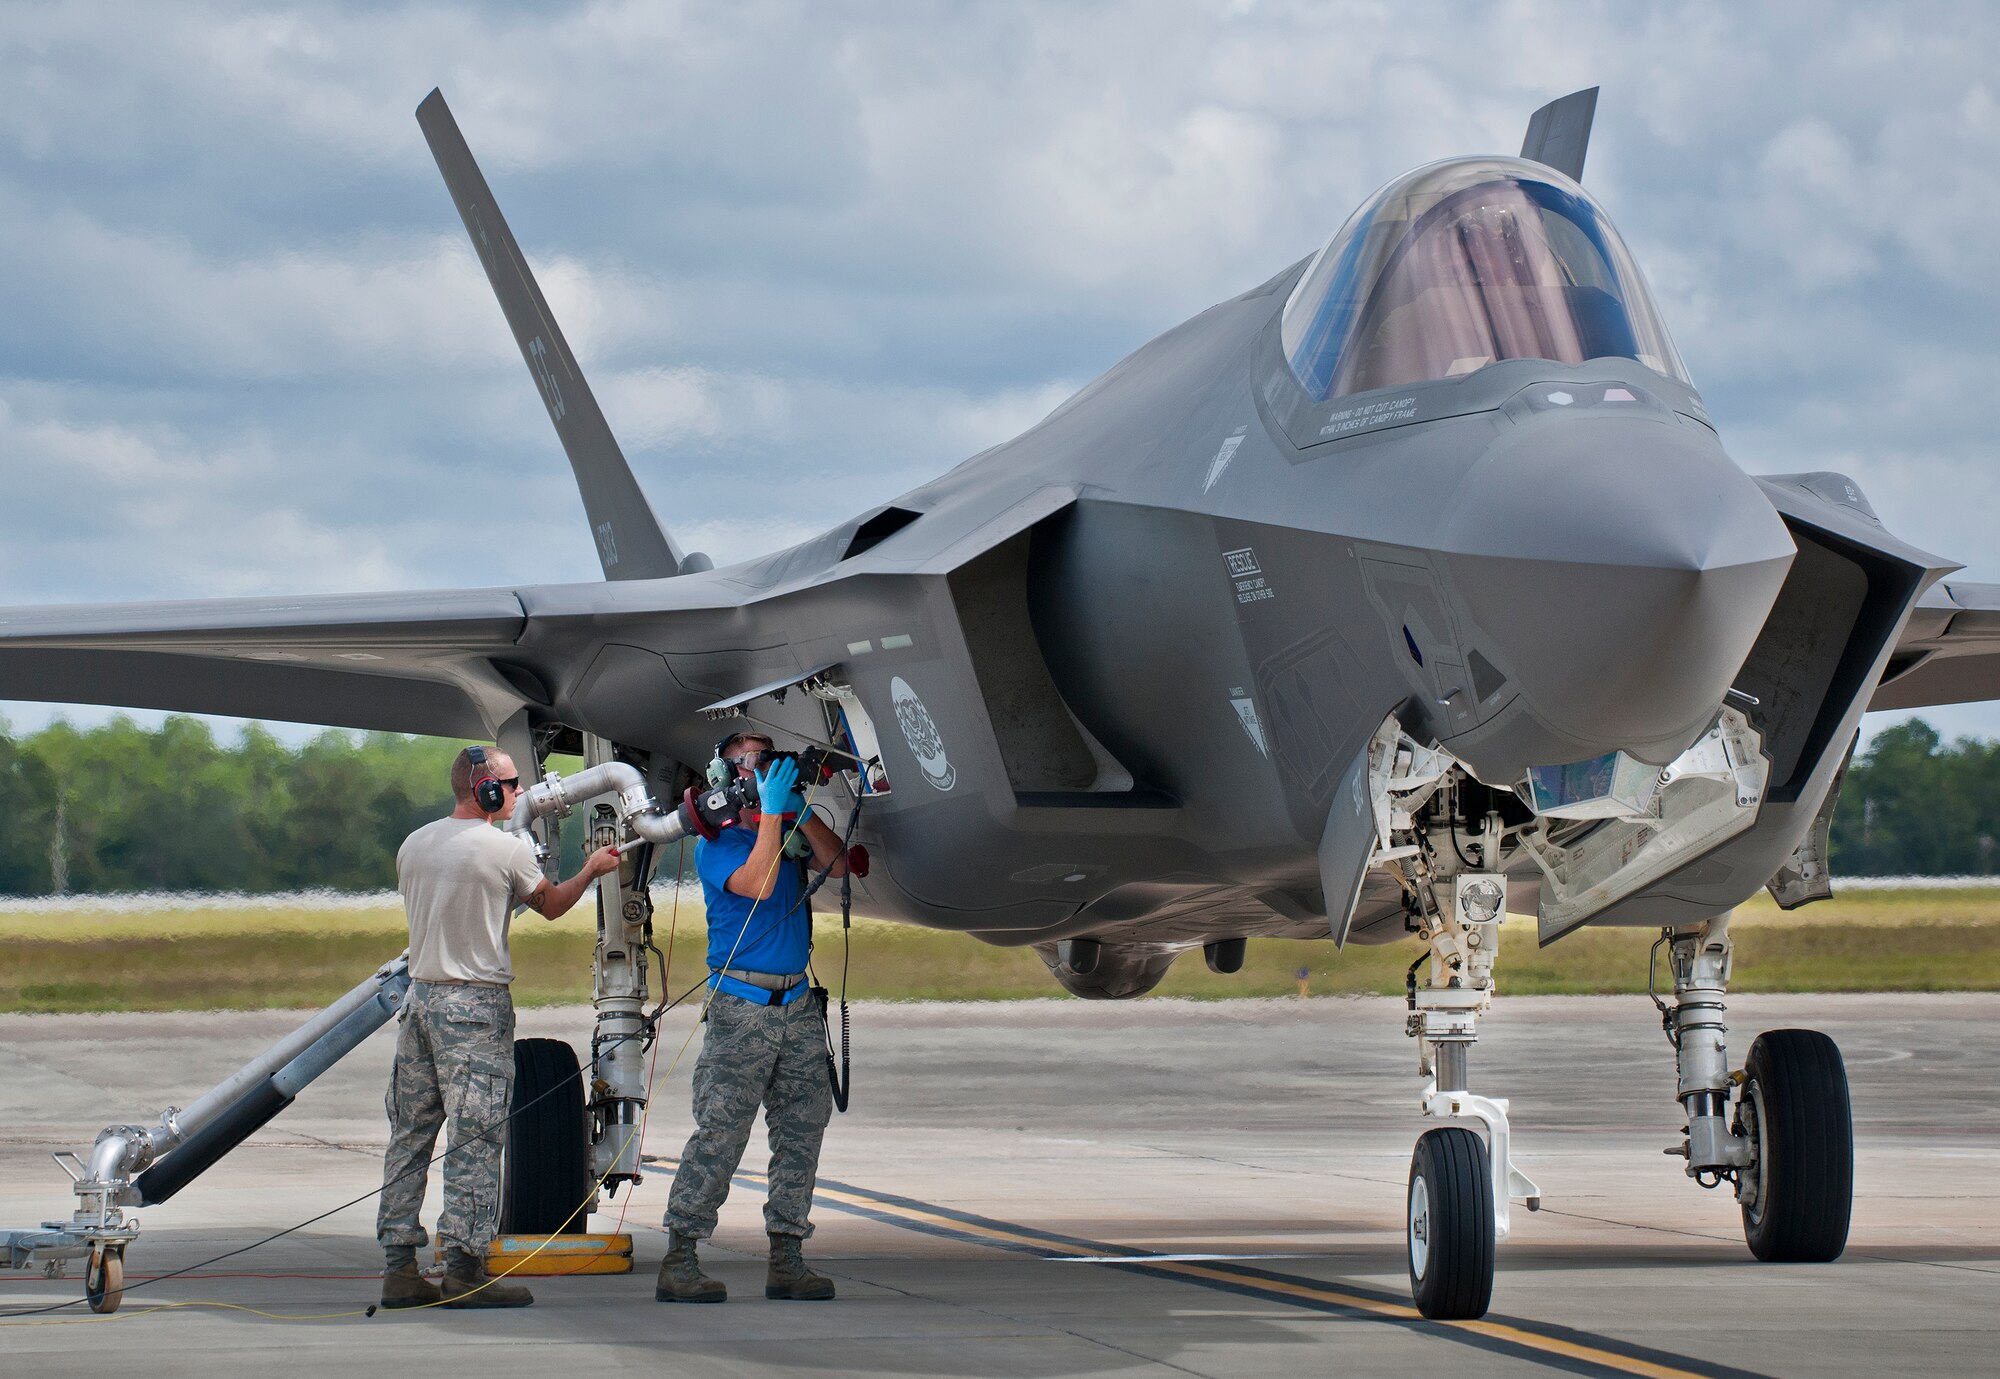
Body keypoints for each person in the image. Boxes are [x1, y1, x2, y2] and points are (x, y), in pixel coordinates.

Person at [377, 745, 620, 1311]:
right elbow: (552, 905)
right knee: (476, 1138)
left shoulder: (413, 844)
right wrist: (592, 868)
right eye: (512, 785)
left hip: (420, 1001)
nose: (518, 793)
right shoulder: (505, 849)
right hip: (473, 1007)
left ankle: (399, 1267)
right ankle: (465, 1268)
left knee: (410, 1136)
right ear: (489, 790)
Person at [658, 732, 848, 1304]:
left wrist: (798, 811)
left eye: (768, 761)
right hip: (742, 1008)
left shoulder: (784, 828)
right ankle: (681, 1254)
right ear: (724, 771)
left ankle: (787, 1255)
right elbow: (761, 884)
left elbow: (838, 865)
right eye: (752, 761)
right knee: (722, 1131)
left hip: (796, 1005)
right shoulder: (715, 843)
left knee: (801, 1131)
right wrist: (770, 813)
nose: (762, 769)